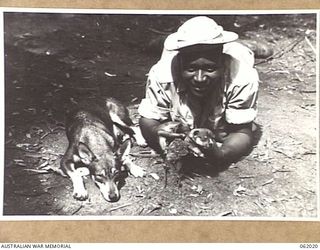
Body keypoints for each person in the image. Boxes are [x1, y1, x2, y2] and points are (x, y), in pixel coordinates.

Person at [138, 16, 259, 166]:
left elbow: (242, 131)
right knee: (157, 45)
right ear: (180, 62)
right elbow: (147, 119)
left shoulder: (242, 77)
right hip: (172, 55)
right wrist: (155, 131)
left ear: (221, 61)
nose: (200, 79)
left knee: (241, 50)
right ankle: (157, 41)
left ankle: (253, 46)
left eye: (210, 68)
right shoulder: (162, 74)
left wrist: (222, 154)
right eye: (191, 69)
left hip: (239, 54)